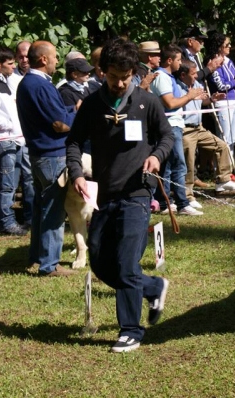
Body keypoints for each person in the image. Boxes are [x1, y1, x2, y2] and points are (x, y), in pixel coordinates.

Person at [66, 38, 174, 353]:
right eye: (115, 76)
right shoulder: (91, 105)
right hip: (104, 192)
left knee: (127, 263)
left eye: (126, 76)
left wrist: (156, 156)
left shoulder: (146, 102)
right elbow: (73, 142)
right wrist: (76, 173)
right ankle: (154, 287)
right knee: (100, 262)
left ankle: (130, 330)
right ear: (103, 72)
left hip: (138, 191)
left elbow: (166, 136)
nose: (121, 82)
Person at [16, 40, 77, 277]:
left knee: (42, 209)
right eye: (54, 57)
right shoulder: (39, 85)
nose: (56, 61)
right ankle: (49, 265)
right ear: (43, 59)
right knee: (53, 211)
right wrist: (79, 117)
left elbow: (57, 116)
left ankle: (37, 257)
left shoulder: (28, 83)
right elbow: (60, 125)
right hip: (52, 155)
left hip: (40, 153)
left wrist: (69, 112)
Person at [0, 45, 34, 235]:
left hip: (16, 140)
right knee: (6, 183)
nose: (14, 66)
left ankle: (22, 218)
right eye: (10, 63)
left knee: (20, 181)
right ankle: (6, 223)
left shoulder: (7, 82)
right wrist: (10, 125)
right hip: (3, 140)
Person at [150, 44, 204, 216]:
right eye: (179, 60)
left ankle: (165, 201)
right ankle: (182, 203)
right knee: (179, 165)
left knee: (168, 166)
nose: (180, 63)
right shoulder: (162, 78)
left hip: (174, 124)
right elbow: (170, 103)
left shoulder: (168, 77)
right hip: (170, 125)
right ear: (169, 60)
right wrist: (189, 96)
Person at [176, 59, 235, 209]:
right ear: (183, 75)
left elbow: (200, 102)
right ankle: (188, 196)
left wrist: (211, 99)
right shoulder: (177, 88)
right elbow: (176, 103)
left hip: (199, 127)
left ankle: (223, 180)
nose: (196, 76)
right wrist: (189, 96)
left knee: (221, 145)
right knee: (189, 163)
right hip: (186, 129)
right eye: (193, 74)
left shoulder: (196, 84)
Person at [205, 32, 235, 160]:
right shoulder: (213, 63)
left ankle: (230, 167)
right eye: (227, 44)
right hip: (221, 102)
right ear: (219, 46)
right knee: (223, 138)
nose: (230, 46)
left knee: (232, 138)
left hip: (234, 101)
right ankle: (220, 170)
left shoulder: (229, 61)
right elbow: (221, 86)